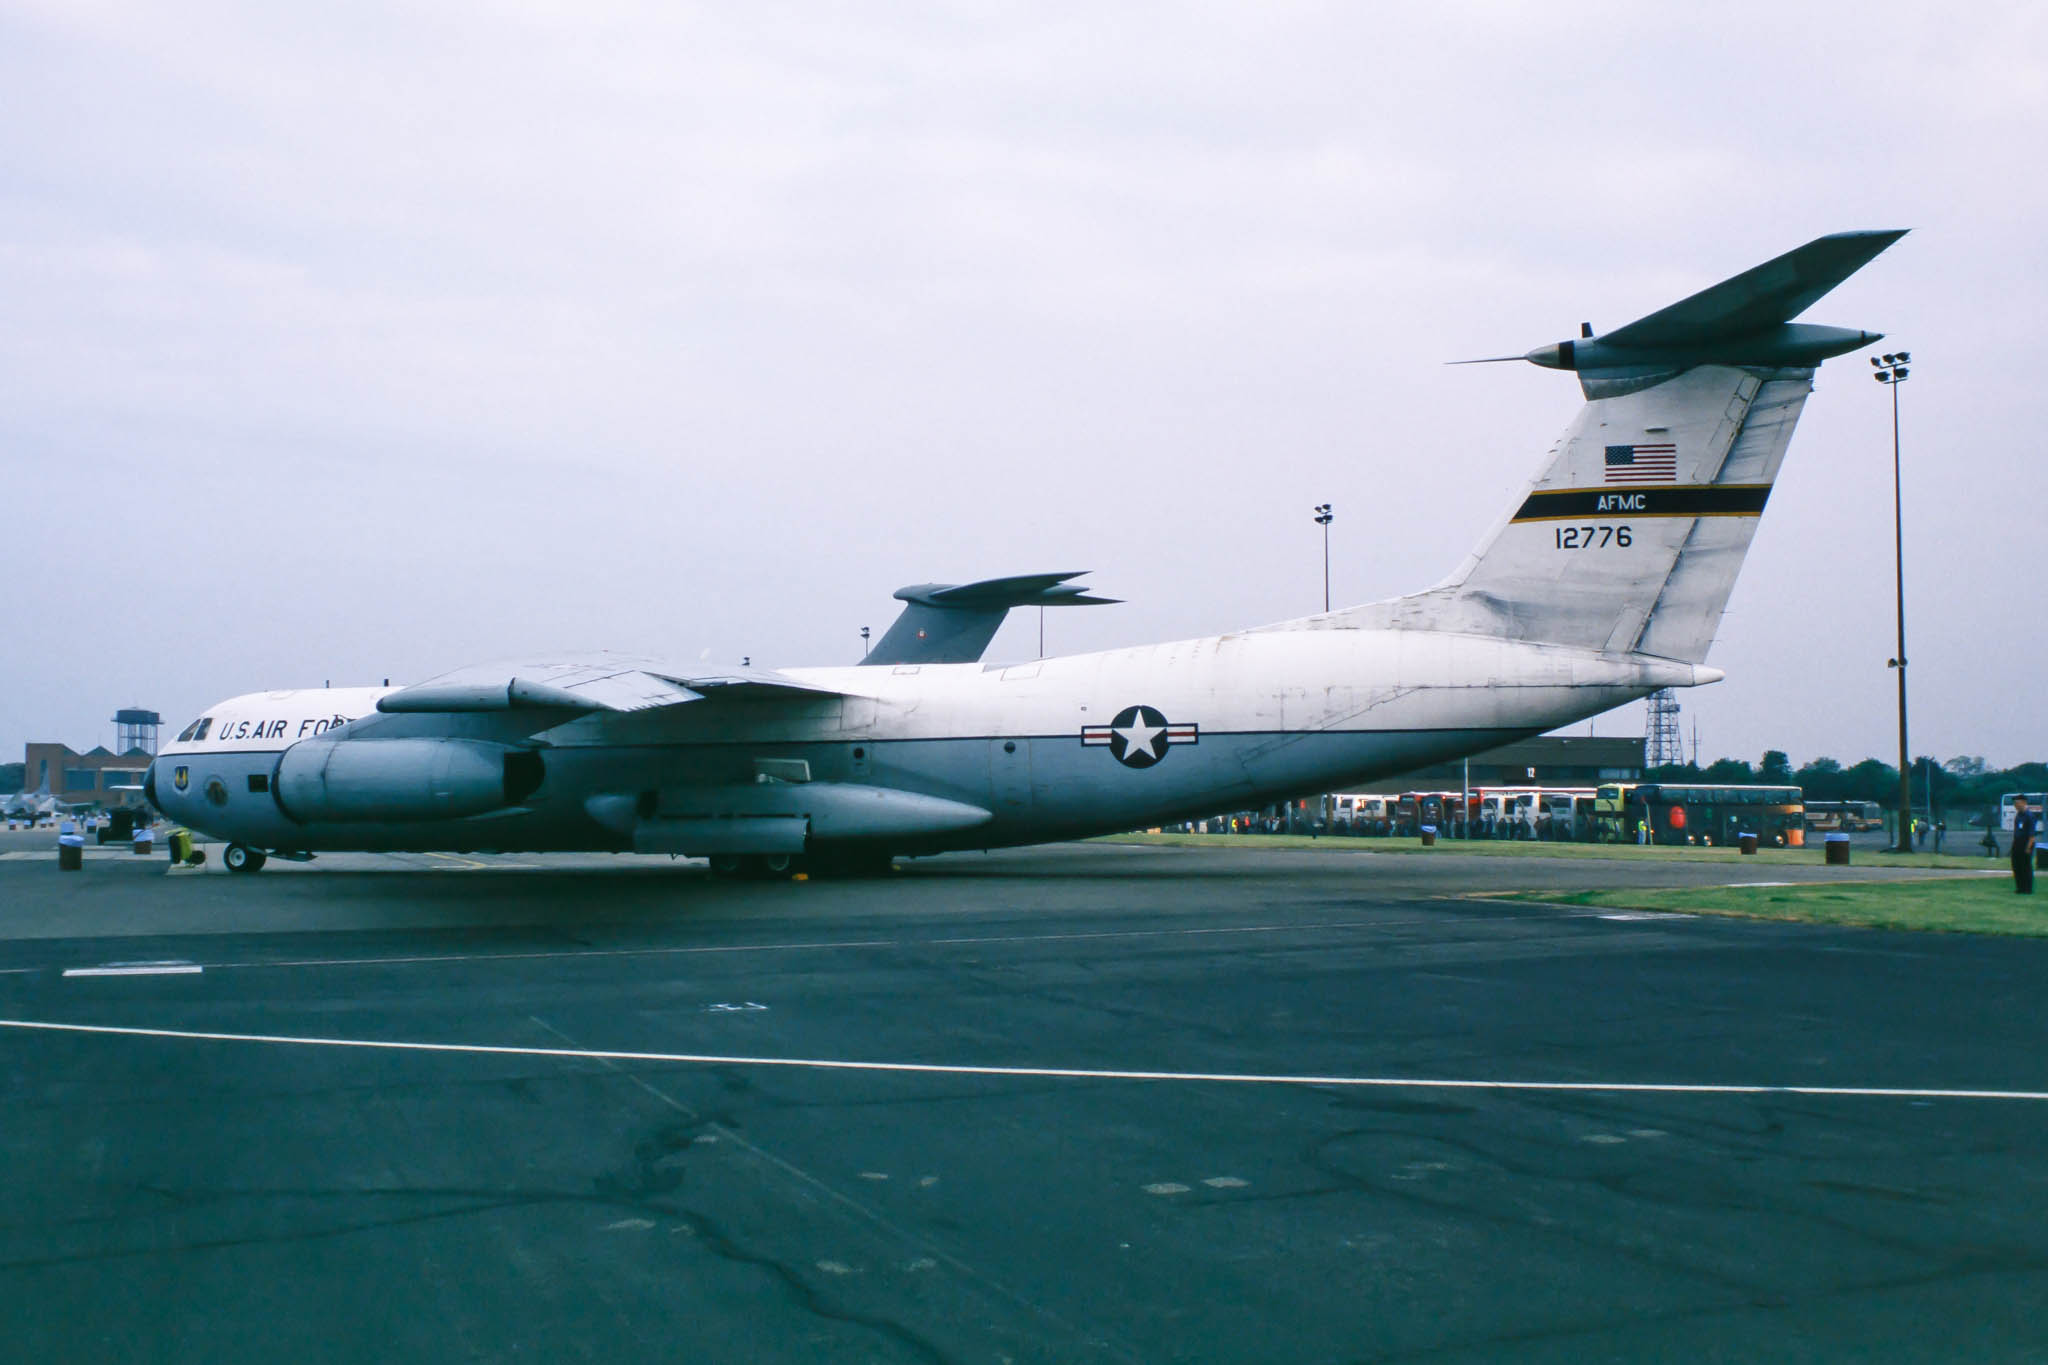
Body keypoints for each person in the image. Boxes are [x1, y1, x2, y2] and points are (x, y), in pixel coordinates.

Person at [2013, 796, 2039, 895]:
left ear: (2024, 803)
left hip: (2027, 842)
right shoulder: (2018, 815)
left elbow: (2032, 834)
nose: (2015, 806)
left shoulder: (2029, 816)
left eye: (2017, 803)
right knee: (2017, 865)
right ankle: (2020, 887)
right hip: (2017, 842)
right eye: (2015, 804)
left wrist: (2028, 847)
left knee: (2025, 866)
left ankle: (2027, 888)